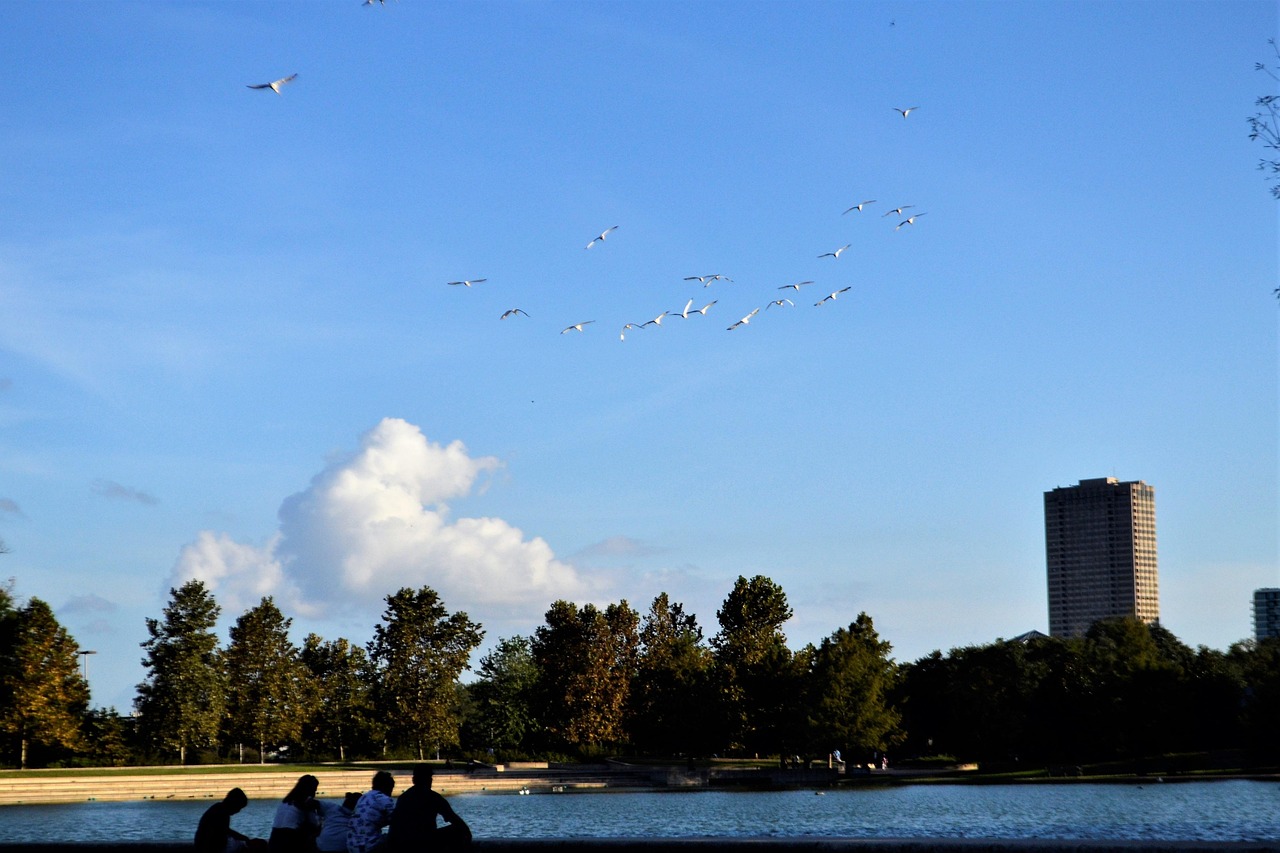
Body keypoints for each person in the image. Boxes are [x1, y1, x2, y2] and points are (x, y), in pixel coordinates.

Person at [387, 765, 470, 852]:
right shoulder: (433, 797)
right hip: (424, 843)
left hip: (401, 844)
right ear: (429, 780)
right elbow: (456, 820)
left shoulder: (403, 797)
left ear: (413, 780)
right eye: (430, 778)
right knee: (458, 830)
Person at [269, 774, 322, 853]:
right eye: (314, 790)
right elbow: (314, 824)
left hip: (274, 838)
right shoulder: (305, 802)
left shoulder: (285, 801)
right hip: (291, 839)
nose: (315, 793)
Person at [196, 787, 257, 853]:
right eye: (239, 807)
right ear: (234, 804)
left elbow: (224, 830)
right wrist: (245, 838)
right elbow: (225, 831)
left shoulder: (217, 808)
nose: (238, 811)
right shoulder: (223, 813)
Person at [348, 771, 396, 853]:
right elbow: (398, 820)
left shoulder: (363, 798)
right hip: (370, 845)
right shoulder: (384, 799)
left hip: (352, 845)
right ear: (388, 787)